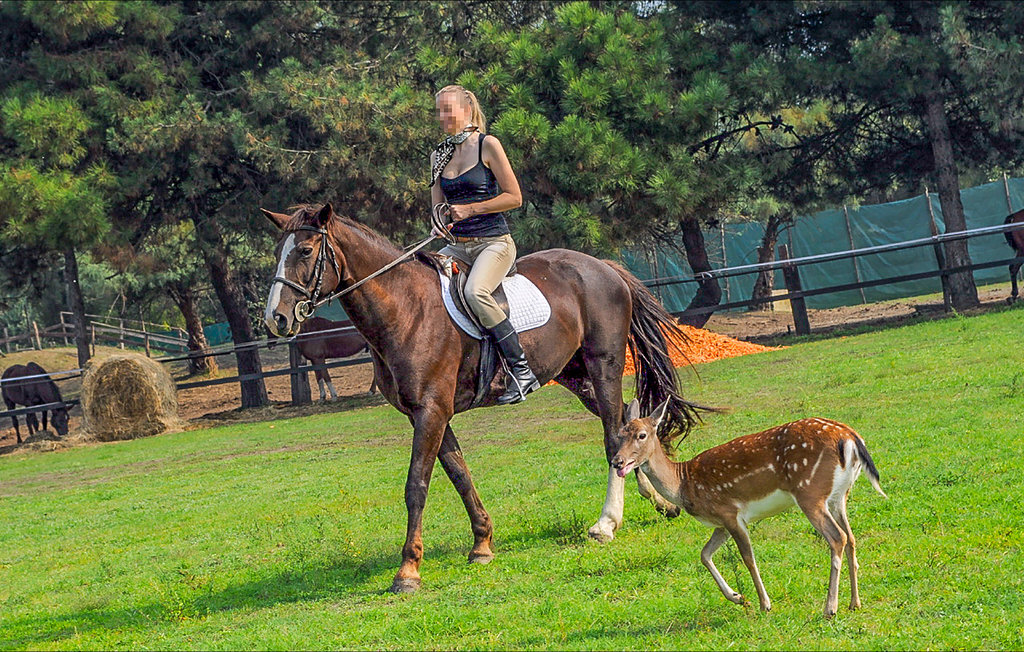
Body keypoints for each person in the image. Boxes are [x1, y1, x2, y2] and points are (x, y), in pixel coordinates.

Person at [430, 84, 540, 404]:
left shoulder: (488, 145)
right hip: (456, 245)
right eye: (438, 110)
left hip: (494, 243)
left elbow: (514, 197)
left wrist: (470, 209)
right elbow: (437, 206)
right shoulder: (439, 154)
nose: (441, 116)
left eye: (447, 109)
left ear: (467, 109)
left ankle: (521, 371)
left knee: (474, 291)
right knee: (424, 286)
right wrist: (439, 222)